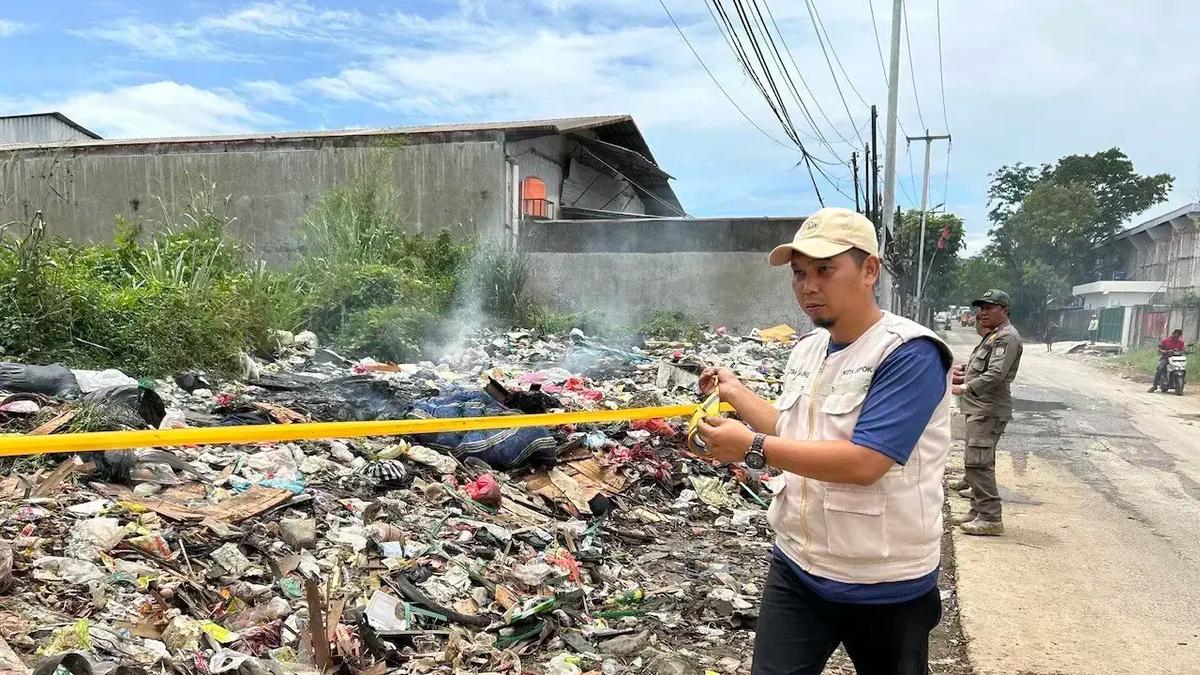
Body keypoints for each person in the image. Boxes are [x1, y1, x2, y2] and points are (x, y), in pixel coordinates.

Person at [696, 207, 952, 675]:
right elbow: (791, 429)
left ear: (870, 269)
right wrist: (733, 392)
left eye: (824, 270)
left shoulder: (908, 353)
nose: (808, 286)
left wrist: (750, 447)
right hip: (799, 566)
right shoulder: (808, 348)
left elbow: (865, 462)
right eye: (798, 274)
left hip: (884, 579)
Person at [949, 290, 1022, 536]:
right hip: (979, 408)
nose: (983, 312)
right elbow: (980, 366)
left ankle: (991, 517)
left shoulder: (1006, 338)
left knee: (978, 464)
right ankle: (978, 511)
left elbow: (996, 374)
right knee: (975, 462)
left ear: (1004, 310)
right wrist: (962, 372)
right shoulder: (993, 337)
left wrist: (965, 386)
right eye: (981, 307)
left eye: (989, 307)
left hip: (989, 409)